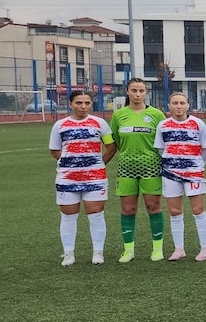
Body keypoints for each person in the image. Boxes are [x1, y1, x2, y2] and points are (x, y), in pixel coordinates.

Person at [104, 78, 167, 262]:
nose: (138, 94)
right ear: (127, 92)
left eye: (141, 90)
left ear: (146, 92)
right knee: (128, 209)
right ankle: (128, 250)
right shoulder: (118, 115)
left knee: (153, 207)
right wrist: (100, 165)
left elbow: (165, 141)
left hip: (152, 167)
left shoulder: (156, 115)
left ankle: (157, 249)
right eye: (134, 90)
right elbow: (113, 143)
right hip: (126, 168)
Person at [49, 90, 112, 266]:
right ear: (70, 104)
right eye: (78, 103)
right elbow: (54, 150)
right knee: (68, 215)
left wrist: (98, 164)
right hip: (67, 179)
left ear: (91, 104)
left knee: (96, 214)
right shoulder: (60, 125)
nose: (83, 106)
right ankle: (69, 254)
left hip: (95, 178)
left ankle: (98, 253)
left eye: (86, 103)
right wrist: (69, 163)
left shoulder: (100, 123)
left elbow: (111, 146)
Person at [154, 91, 206, 261]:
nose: (178, 106)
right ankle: (179, 249)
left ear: (187, 105)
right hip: (170, 174)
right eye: (175, 103)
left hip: (194, 174)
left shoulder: (198, 123)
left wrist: (197, 164)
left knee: (198, 210)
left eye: (182, 103)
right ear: (169, 106)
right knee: (174, 211)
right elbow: (160, 148)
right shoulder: (163, 125)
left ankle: (204, 248)